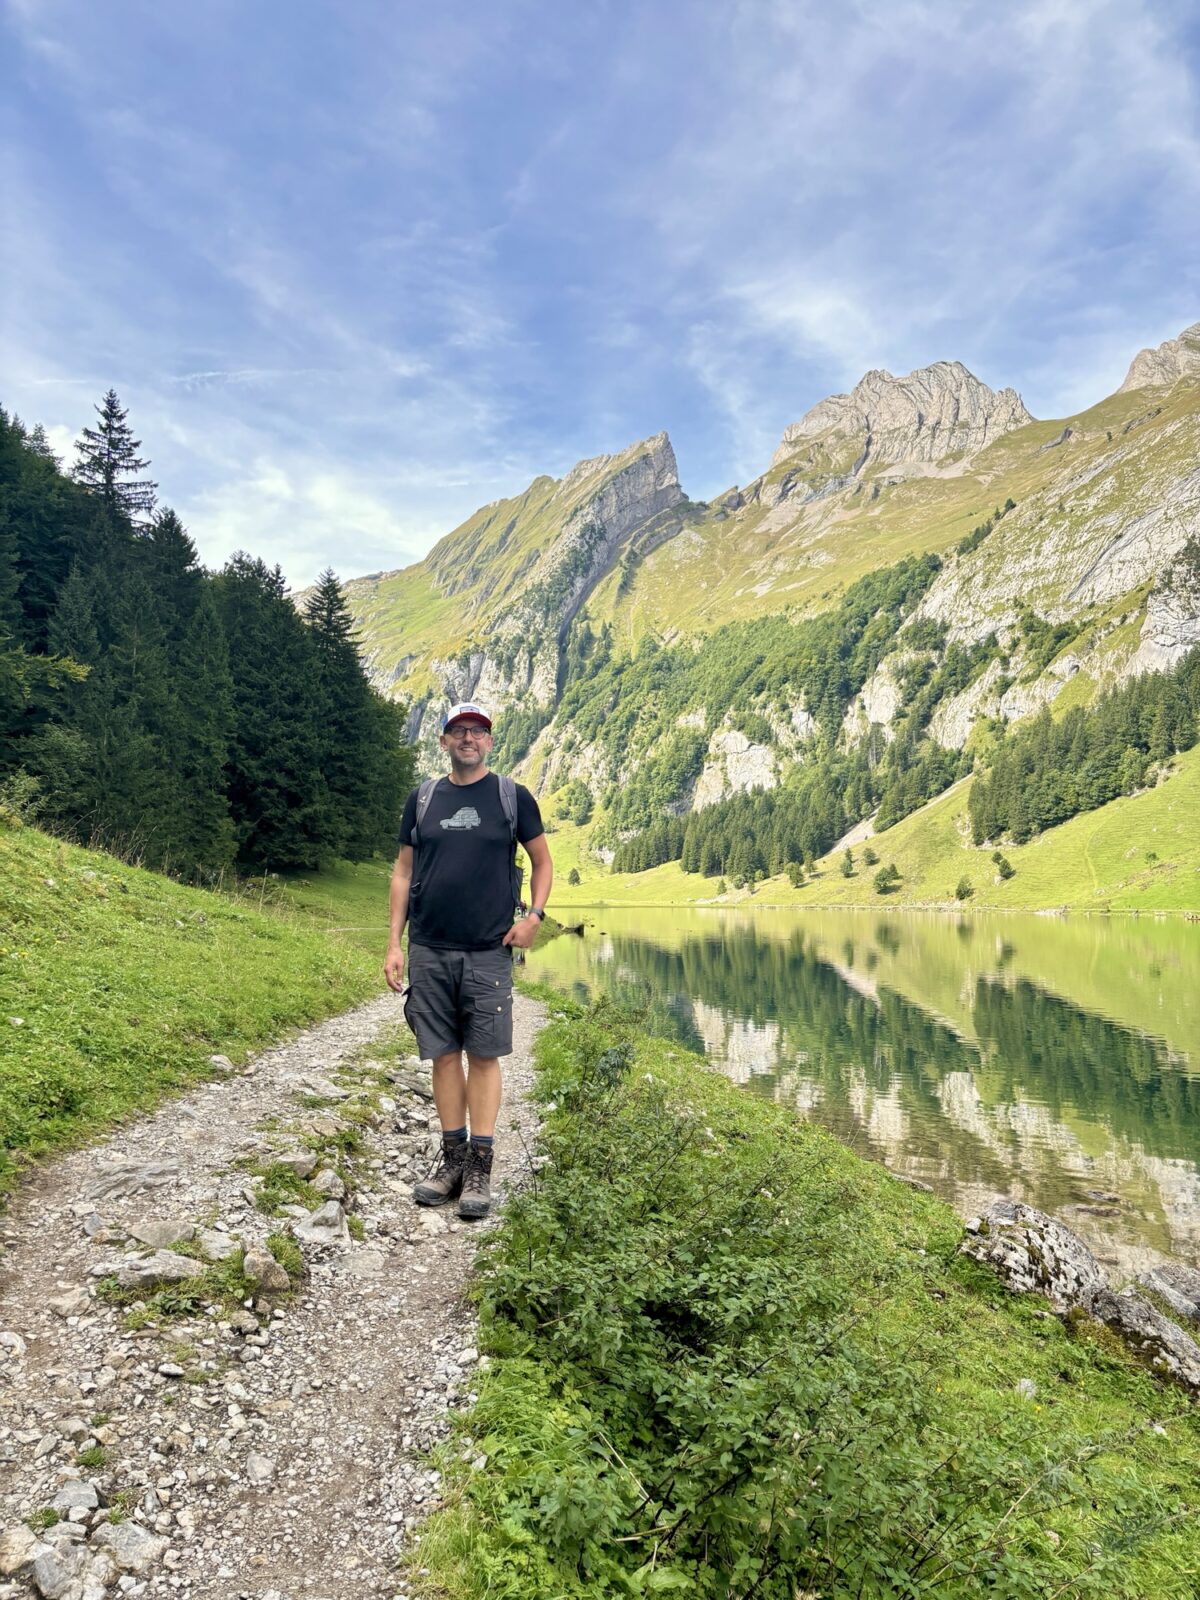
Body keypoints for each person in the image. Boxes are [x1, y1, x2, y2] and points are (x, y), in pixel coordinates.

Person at [383, 702, 552, 1219]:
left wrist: (536, 916)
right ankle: (451, 1158)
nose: (468, 739)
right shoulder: (424, 798)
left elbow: (542, 860)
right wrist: (395, 943)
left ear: (490, 742)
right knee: (441, 1052)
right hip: (429, 946)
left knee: (483, 1055)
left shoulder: (511, 797)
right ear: (444, 741)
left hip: (488, 950)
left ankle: (480, 1163)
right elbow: (403, 873)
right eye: (459, 731)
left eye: (478, 731)